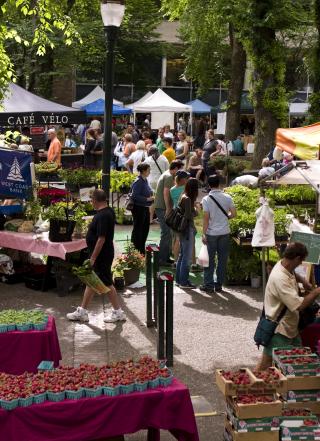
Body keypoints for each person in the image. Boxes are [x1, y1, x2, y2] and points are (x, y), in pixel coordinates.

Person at [256, 242, 320, 371]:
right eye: (301, 261)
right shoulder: (280, 278)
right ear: (296, 258)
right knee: (265, 365)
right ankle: (251, 389)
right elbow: (299, 305)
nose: (301, 264)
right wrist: (317, 291)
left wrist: (303, 280)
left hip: (290, 328)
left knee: (299, 361)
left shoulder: (283, 264)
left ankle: (288, 388)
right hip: (280, 330)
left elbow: (291, 273)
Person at [67, 189, 125, 323]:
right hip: (103, 253)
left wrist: (93, 258)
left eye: (91, 200)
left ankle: (117, 312)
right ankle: (83, 311)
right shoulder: (107, 211)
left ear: (94, 200)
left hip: (101, 255)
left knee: (106, 282)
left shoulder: (103, 215)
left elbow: (101, 239)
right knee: (92, 281)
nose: (91, 202)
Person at [201, 174, 236, 293]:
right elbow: (234, 214)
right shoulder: (227, 197)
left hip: (211, 233)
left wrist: (203, 233)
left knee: (209, 260)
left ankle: (208, 284)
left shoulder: (206, 199)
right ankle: (219, 284)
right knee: (222, 260)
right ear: (219, 184)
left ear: (209, 185)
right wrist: (226, 218)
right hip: (225, 232)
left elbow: (206, 218)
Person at [154, 160, 184, 265]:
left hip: (161, 207)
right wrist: (168, 208)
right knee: (166, 233)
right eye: (180, 169)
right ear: (175, 168)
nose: (180, 172)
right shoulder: (169, 176)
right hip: (162, 207)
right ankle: (162, 259)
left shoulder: (167, 174)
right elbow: (166, 193)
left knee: (167, 233)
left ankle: (165, 257)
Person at [176, 178, 199, 289]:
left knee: (182, 255)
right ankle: (184, 282)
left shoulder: (183, 196)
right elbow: (189, 215)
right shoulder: (188, 199)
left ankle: (179, 280)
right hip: (187, 229)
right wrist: (197, 210)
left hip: (181, 230)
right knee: (187, 257)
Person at [131, 163, 154, 254]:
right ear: (143, 171)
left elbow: (147, 190)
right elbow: (134, 196)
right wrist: (147, 199)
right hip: (138, 208)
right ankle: (136, 249)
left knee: (145, 228)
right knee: (138, 229)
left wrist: (151, 193)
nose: (149, 172)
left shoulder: (145, 180)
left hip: (144, 207)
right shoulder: (138, 181)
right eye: (148, 170)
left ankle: (140, 248)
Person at [170, 170, 190, 262]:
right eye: (186, 178)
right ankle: (179, 260)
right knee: (181, 239)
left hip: (175, 214)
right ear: (182, 180)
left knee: (175, 238)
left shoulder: (172, 189)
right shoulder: (184, 189)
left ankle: (175, 259)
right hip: (182, 215)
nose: (188, 179)